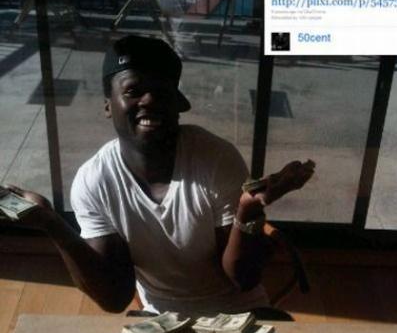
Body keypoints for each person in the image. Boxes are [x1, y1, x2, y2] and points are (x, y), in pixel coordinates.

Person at [5, 35, 314, 317]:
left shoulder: (216, 159)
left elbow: (242, 279)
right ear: (108, 105)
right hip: (160, 319)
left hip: (239, 313)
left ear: (177, 105)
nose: (149, 100)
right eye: (133, 91)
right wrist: (52, 224)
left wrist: (248, 210)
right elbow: (114, 298)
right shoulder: (94, 182)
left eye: (161, 91)